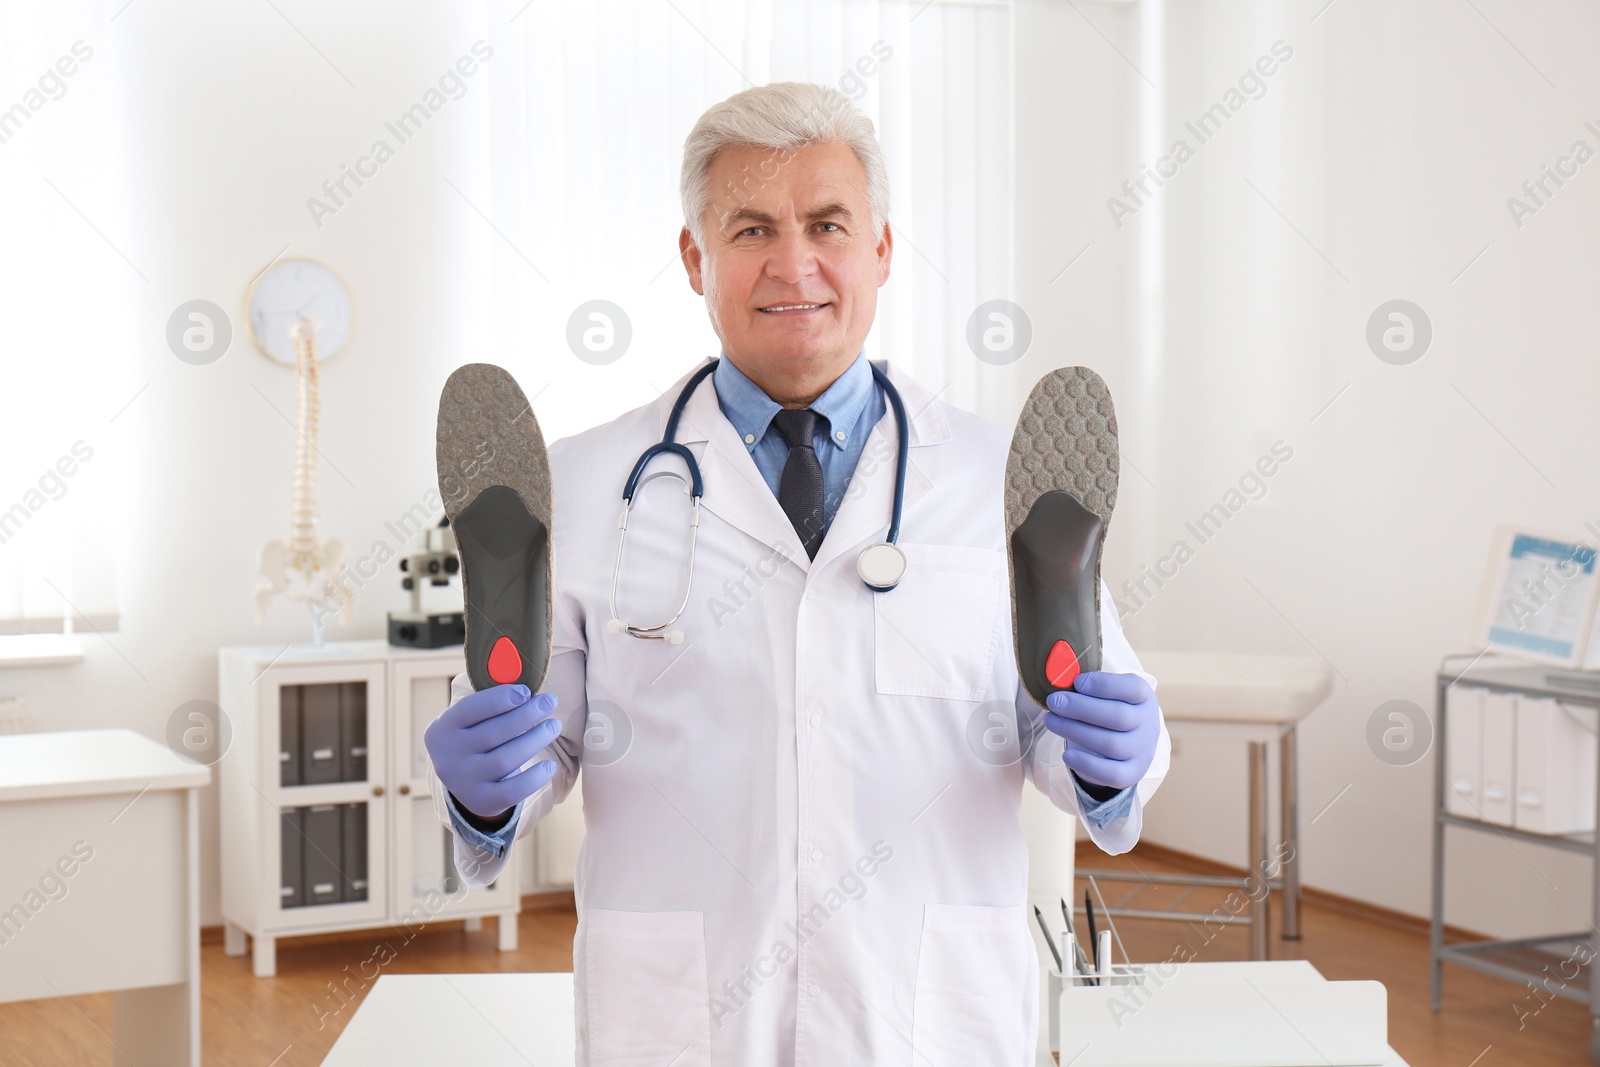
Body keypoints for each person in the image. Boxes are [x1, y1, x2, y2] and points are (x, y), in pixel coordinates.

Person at [426, 80, 1169, 1066]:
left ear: (882, 249)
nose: (794, 263)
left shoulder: (1000, 481)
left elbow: (1072, 726)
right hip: (682, 1019)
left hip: (924, 1014)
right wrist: (483, 791)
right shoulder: (585, 481)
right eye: (750, 229)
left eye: (827, 223)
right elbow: (535, 755)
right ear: (694, 258)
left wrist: (1117, 764)